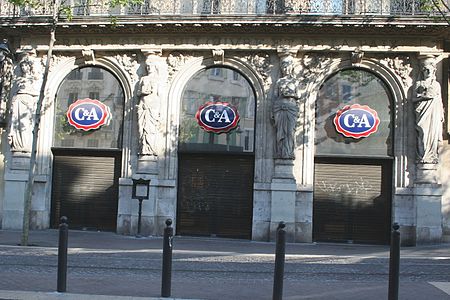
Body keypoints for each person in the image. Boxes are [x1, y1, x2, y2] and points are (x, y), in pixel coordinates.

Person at [413, 57, 444, 164]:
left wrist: (441, 115)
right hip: (422, 111)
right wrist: (423, 96)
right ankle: (423, 156)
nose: (428, 72)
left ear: (434, 70)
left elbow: (439, 100)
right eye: (426, 69)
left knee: (431, 135)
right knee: (423, 133)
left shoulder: (436, 85)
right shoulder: (419, 84)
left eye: (431, 69)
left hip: (433, 111)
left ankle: (430, 157)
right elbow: (413, 98)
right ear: (423, 70)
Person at [272, 53, 300, 159]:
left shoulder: (295, 81)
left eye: (287, 66)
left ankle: (289, 153)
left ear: (291, 67)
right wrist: (272, 112)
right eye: (283, 66)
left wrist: (290, 94)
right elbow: (275, 96)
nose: (285, 69)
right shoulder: (279, 81)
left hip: (291, 108)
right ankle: (280, 153)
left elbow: (299, 95)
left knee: (290, 132)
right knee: (280, 133)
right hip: (279, 108)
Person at [8, 57, 39, 153]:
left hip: (27, 103)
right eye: (22, 66)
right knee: (17, 125)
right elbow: (14, 93)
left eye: (25, 65)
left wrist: (25, 90)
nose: (23, 67)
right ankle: (18, 146)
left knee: (25, 124)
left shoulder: (33, 79)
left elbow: (36, 93)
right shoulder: (18, 79)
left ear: (29, 67)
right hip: (17, 101)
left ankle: (24, 146)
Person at [137, 59, 159, 156]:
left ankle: (149, 149)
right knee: (141, 128)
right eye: (148, 66)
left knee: (150, 129)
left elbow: (157, 94)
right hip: (142, 105)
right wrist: (143, 91)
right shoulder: (143, 79)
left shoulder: (156, 80)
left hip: (152, 106)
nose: (149, 68)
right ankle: (143, 148)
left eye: (151, 66)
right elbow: (138, 92)